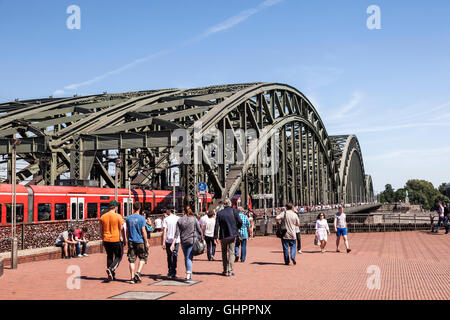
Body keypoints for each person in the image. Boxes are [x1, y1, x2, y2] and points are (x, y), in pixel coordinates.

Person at [171, 206, 203, 282]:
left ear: (183, 212)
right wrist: (202, 237)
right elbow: (199, 229)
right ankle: (188, 275)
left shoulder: (180, 220)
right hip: (192, 240)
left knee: (187, 257)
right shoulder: (194, 219)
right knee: (189, 257)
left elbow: (176, 234)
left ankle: (189, 272)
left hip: (183, 241)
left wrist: (173, 243)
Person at [214, 198, 242, 276]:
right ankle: (230, 271)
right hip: (232, 234)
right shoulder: (234, 211)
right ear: (230, 204)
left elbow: (216, 226)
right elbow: (240, 222)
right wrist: (237, 228)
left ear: (224, 205)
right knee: (231, 252)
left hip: (223, 236)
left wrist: (215, 236)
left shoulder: (219, 213)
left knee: (224, 253)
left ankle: (225, 270)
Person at [100, 200, 126, 281]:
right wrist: (124, 239)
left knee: (109, 256)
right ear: (115, 207)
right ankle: (111, 269)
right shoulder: (118, 216)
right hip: (115, 239)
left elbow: (101, 230)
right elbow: (121, 229)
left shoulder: (103, 217)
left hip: (106, 239)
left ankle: (111, 275)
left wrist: (102, 239)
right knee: (119, 255)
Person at [162, 206, 180, 279]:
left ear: (169, 210)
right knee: (175, 255)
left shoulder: (166, 219)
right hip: (176, 240)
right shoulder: (178, 218)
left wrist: (163, 242)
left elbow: (164, 231)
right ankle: (174, 271)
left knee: (169, 256)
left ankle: (170, 270)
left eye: (166, 209)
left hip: (168, 240)